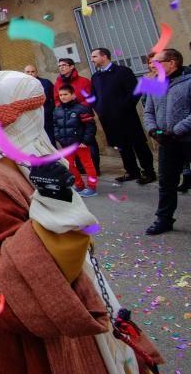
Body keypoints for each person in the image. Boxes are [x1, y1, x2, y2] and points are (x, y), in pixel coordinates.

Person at [0, 71, 162, 374]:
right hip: (31, 349)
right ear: (25, 115)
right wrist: (56, 208)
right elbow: (4, 290)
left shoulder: (10, 165)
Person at [89, 48, 156, 184]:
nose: (92, 59)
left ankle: (149, 172)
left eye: (94, 56)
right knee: (121, 146)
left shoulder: (122, 72)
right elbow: (94, 96)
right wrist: (99, 109)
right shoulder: (96, 77)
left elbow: (135, 92)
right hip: (108, 119)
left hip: (127, 117)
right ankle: (132, 171)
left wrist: (122, 107)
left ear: (105, 56)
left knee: (138, 145)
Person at [143, 48, 191, 235]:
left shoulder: (188, 82)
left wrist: (176, 131)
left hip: (186, 139)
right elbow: (148, 111)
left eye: (158, 62)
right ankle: (164, 219)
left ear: (172, 63)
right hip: (166, 142)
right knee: (166, 182)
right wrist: (153, 129)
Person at [53, 57, 99, 173]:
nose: (61, 68)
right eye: (59, 66)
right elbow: (57, 99)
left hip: (82, 117)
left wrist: (77, 108)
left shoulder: (83, 81)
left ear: (72, 66)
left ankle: (94, 169)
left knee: (88, 143)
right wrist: (63, 109)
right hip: (65, 118)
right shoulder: (58, 83)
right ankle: (80, 169)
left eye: (64, 65)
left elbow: (89, 98)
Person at [53, 85, 99, 197]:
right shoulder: (57, 110)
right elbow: (55, 126)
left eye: (65, 94)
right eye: (61, 95)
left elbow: (90, 126)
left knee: (88, 165)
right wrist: (59, 138)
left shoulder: (82, 109)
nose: (63, 97)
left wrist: (86, 141)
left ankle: (92, 187)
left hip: (81, 143)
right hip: (66, 144)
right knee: (69, 165)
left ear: (73, 95)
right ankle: (79, 185)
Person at [24, 64, 56, 146]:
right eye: (28, 72)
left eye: (32, 72)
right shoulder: (21, 86)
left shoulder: (46, 83)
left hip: (46, 118)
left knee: (50, 141)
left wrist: (50, 110)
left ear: (37, 73)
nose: (30, 74)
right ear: (24, 73)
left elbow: (55, 98)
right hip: (31, 120)